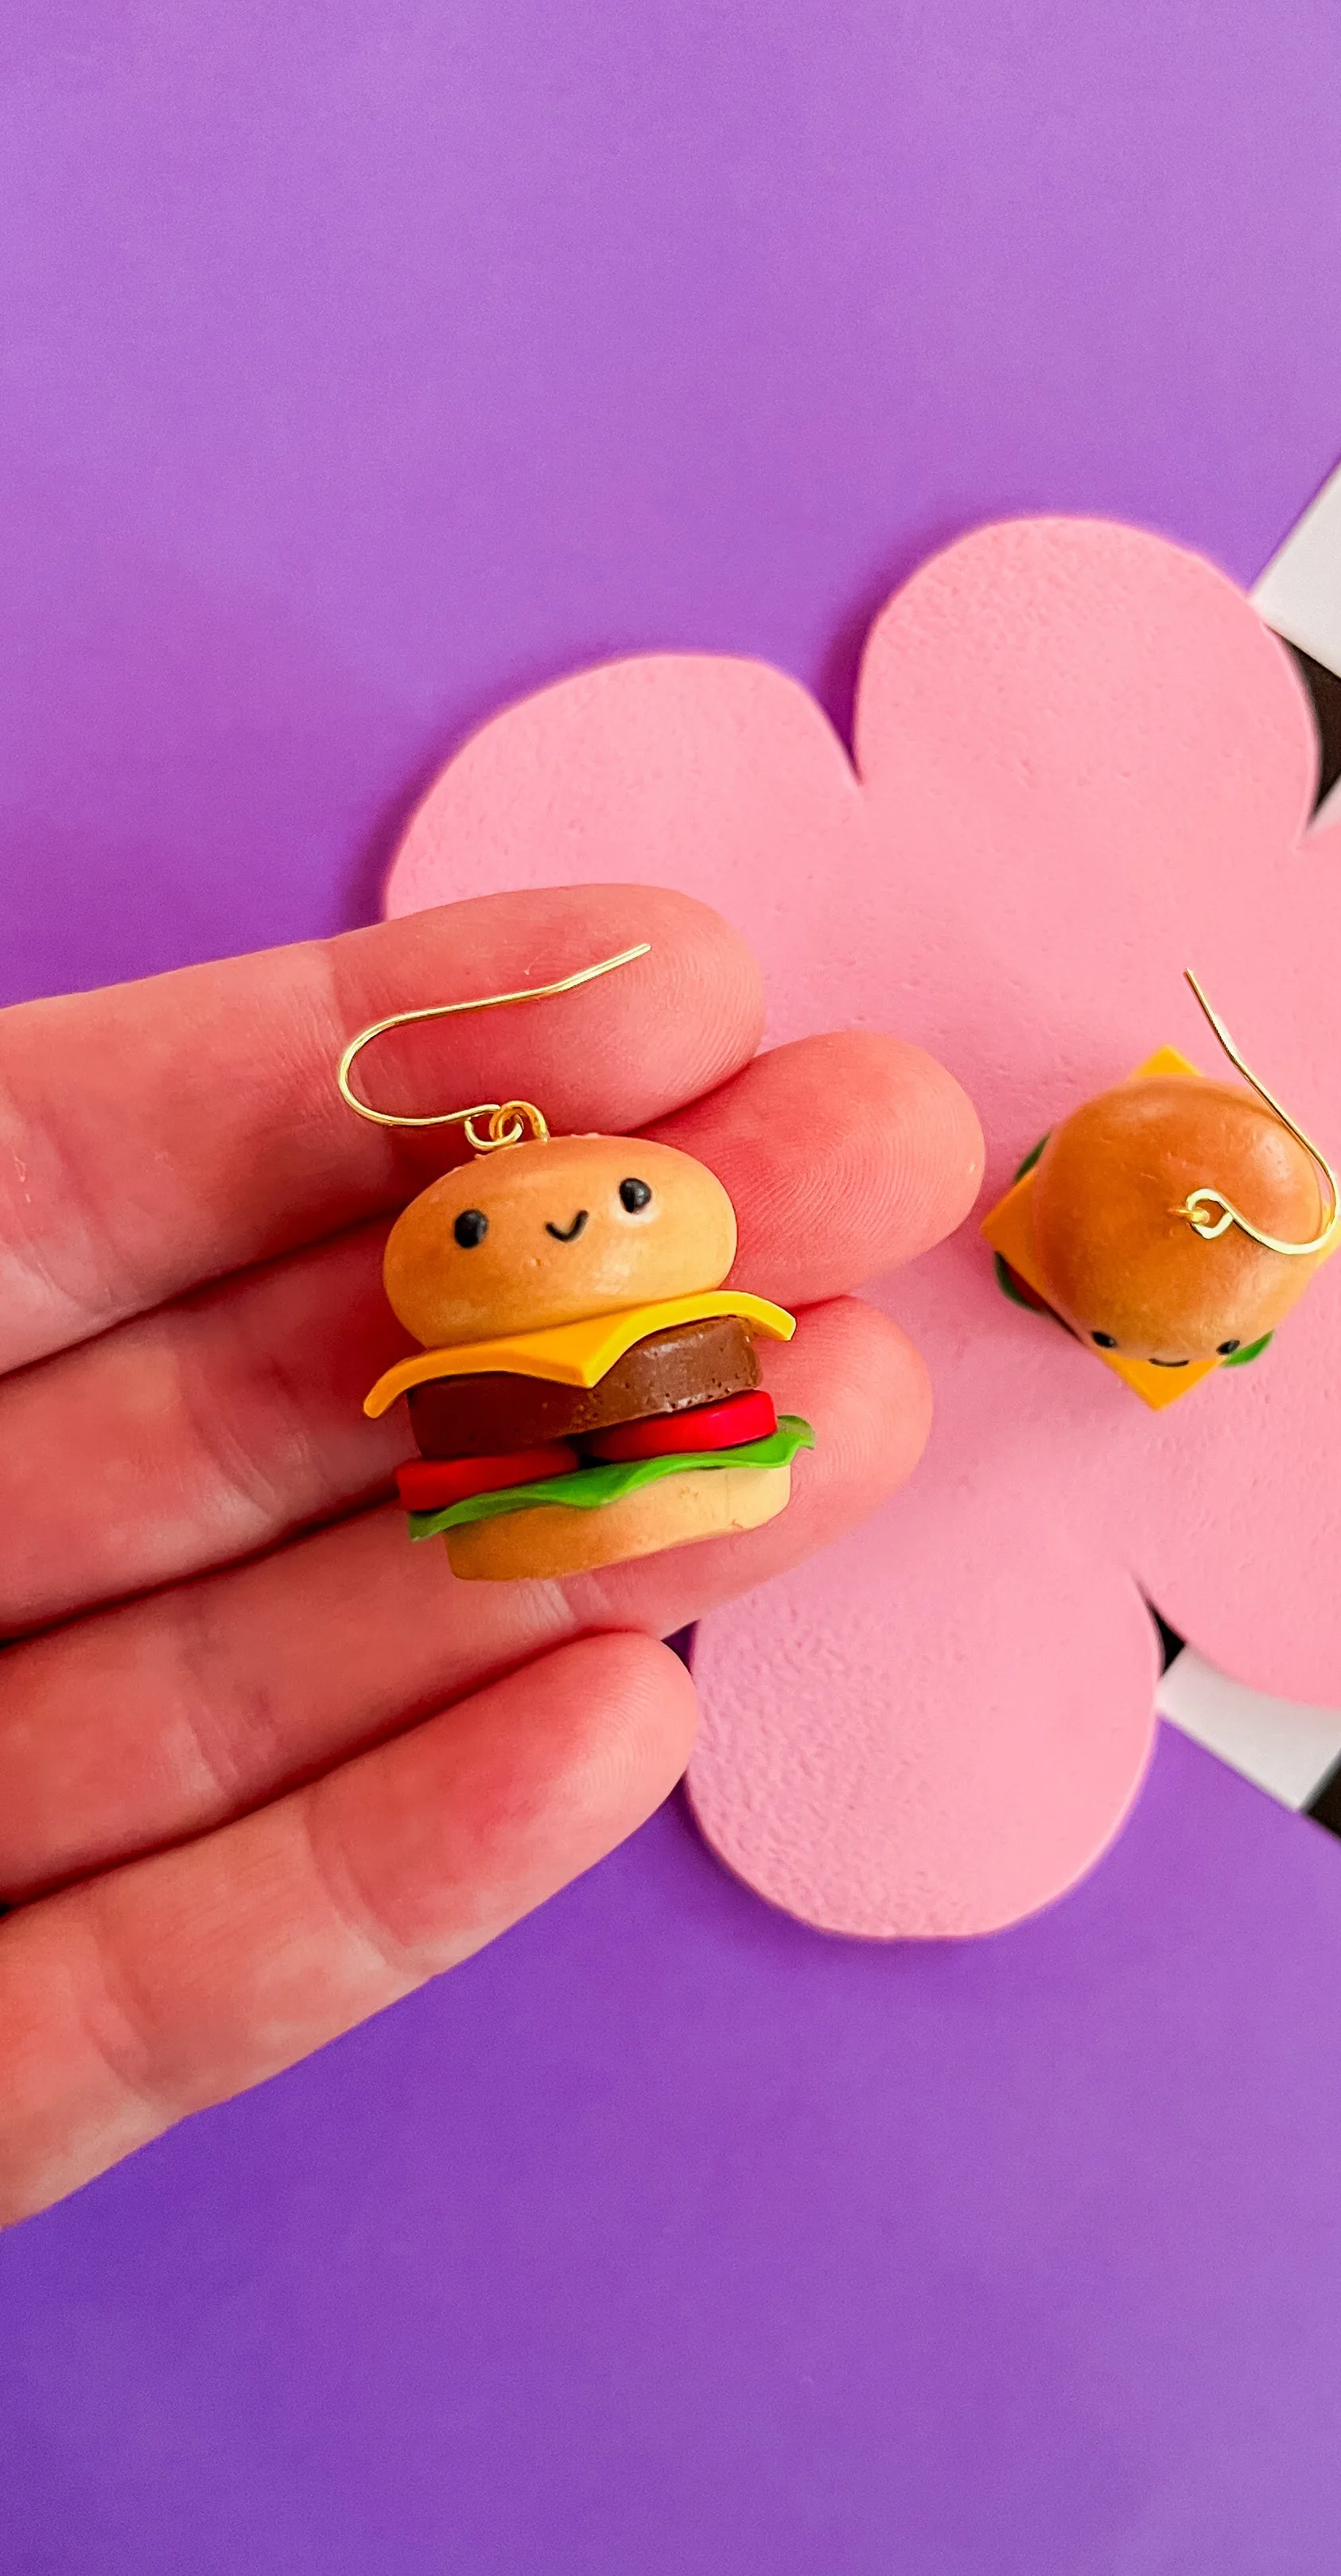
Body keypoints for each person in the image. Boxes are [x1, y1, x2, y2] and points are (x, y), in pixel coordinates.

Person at [0, 885, 984, 2225]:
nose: (576, 1229)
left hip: (682, 1409)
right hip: (496, 1453)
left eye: (627, 1198)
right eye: (475, 1227)